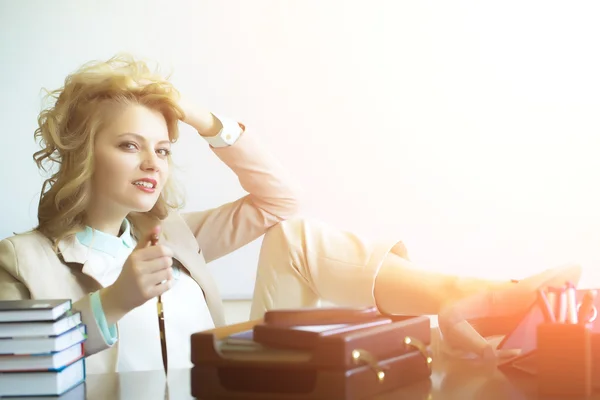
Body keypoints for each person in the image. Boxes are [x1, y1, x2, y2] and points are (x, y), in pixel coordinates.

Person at [0, 54, 580, 375]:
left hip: (227, 390)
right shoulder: (21, 258)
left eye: (164, 148)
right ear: (82, 152)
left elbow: (280, 201)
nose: (153, 161)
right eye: (130, 145)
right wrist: (112, 303)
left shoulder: (173, 235)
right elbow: (12, 373)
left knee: (296, 237)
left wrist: (208, 123)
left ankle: (470, 296)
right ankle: (478, 301)